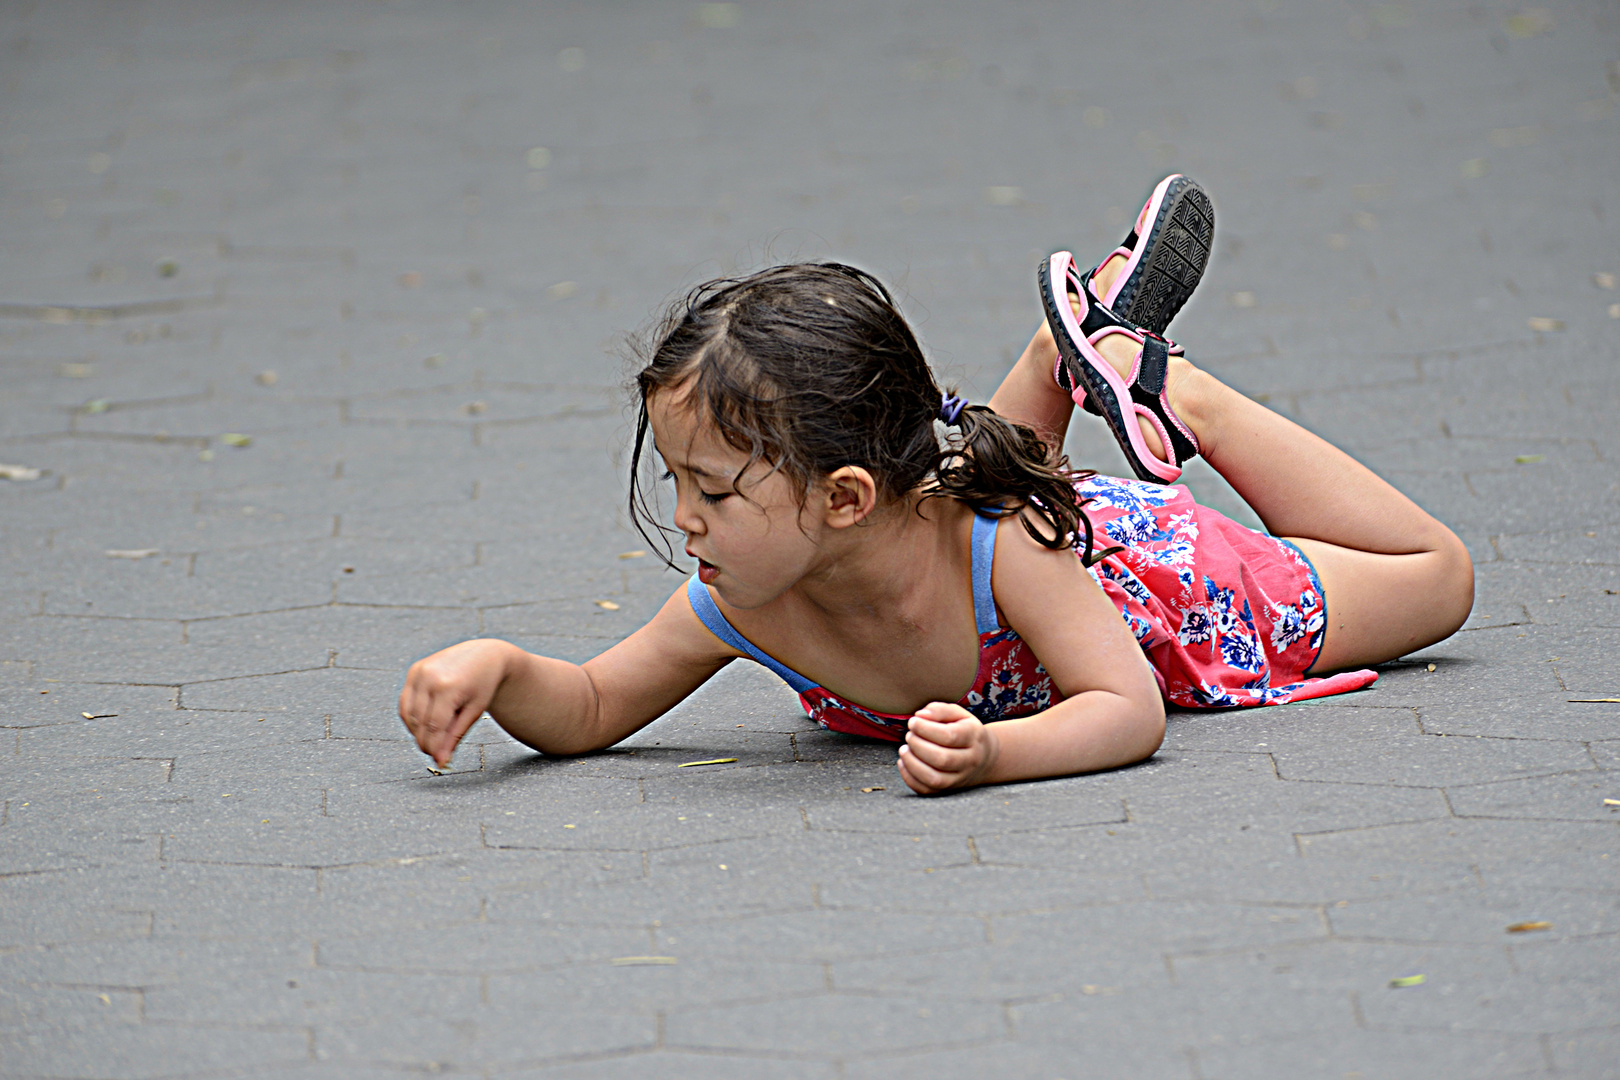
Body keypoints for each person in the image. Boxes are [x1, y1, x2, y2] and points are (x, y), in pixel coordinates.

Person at [399, 176, 1474, 796]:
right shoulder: (744, 598)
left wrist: (996, 755)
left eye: (715, 492)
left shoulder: (1009, 550)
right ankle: (1074, 348)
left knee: (1437, 580)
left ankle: (1166, 383)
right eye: (680, 480)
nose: (685, 518)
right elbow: (590, 708)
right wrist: (498, 667)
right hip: (966, 490)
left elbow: (1127, 708)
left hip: (1165, 584)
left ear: (844, 497)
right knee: (973, 459)